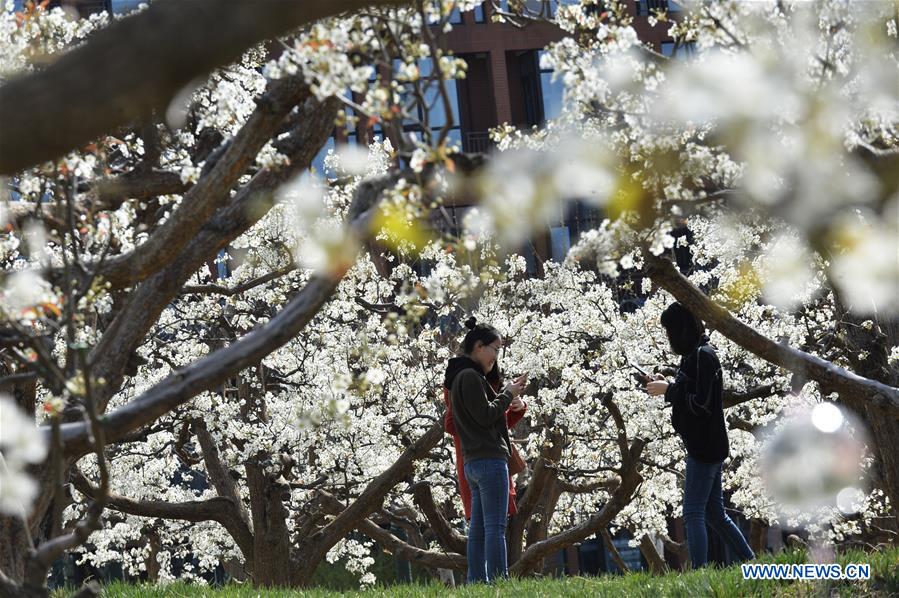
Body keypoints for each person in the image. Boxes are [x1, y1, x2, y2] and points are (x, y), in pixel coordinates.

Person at [644, 301, 755, 568]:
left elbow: (702, 403)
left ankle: (699, 572)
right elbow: (688, 389)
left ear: (681, 330)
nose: (668, 339)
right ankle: (751, 563)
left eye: (670, 332)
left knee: (693, 512)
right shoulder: (693, 355)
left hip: (704, 446)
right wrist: (664, 382)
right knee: (715, 514)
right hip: (705, 444)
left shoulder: (704, 356)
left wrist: (669, 390)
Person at [445, 317, 528, 583]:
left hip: (473, 463)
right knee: (495, 527)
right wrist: (507, 393)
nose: (496, 356)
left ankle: (477, 582)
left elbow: (485, 415)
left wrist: (510, 399)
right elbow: (485, 415)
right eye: (495, 349)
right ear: (479, 346)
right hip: (489, 461)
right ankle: (499, 580)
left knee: (479, 530)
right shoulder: (470, 377)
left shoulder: (460, 376)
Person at [443, 362, 527, 524]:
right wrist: (505, 397)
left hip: (493, 459)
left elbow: (493, 424)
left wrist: (517, 407)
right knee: (491, 530)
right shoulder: (462, 379)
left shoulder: (487, 379)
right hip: (480, 460)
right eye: (492, 349)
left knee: (494, 529)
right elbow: (454, 424)